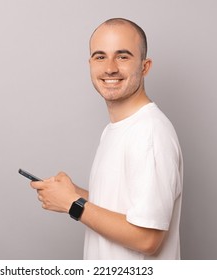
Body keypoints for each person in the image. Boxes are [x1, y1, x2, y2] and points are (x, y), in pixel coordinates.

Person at [30, 18, 183, 260]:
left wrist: (73, 204)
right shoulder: (116, 128)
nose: (109, 68)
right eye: (100, 56)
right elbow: (125, 208)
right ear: (90, 64)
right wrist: (73, 194)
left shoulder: (149, 132)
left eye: (122, 56)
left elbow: (147, 238)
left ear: (145, 66)